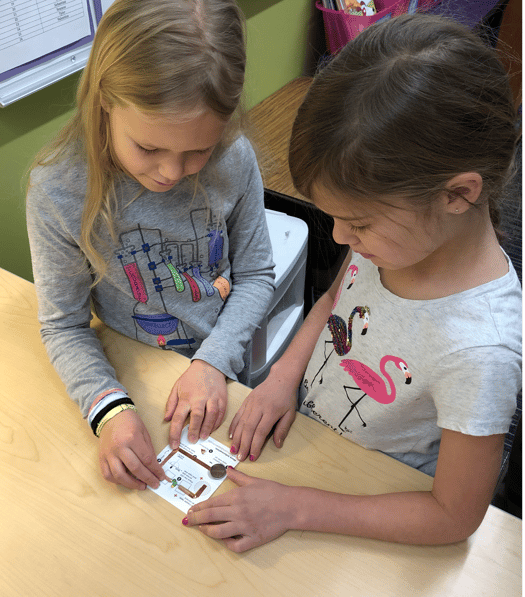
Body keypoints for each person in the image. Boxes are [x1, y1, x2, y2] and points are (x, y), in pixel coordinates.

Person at [183, 13, 523, 551]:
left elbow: (453, 517)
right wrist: (281, 379)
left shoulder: (482, 351)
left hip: (377, 498)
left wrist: (295, 506)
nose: (340, 238)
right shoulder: (399, 240)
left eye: (358, 223)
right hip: (318, 449)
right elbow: (334, 302)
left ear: (456, 195)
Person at [26, 0, 275, 492]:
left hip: (221, 369)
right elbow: (63, 325)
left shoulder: (235, 157)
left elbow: (255, 276)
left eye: (198, 150)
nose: (171, 171)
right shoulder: (59, 190)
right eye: (148, 148)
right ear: (104, 101)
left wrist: (213, 361)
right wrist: (109, 409)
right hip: (133, 378)